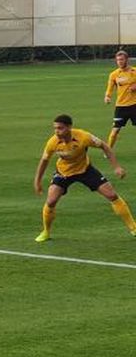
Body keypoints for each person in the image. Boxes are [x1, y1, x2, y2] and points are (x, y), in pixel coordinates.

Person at [33, 113, 135, 242]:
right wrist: (37, 181)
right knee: (51, 201)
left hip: (85, 170)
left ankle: (133, 228)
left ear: (69, 127)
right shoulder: (52, 142)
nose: (57, 131)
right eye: (55, 128)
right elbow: (44, 161)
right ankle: (46, 231)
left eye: (60, 128)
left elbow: (105, 146)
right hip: (63, 173)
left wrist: (116, 167)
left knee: (112, 195)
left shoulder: (83, 137)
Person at [104, 49, 136, 150]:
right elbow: (109, 88)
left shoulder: (134, 71)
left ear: (127, 59)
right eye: (118, 60)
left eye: (122, 59)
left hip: (134, 105)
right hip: (121, 107)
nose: (120, 62)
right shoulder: (114, 74)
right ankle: (108, 151)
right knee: (115, 131)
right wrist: (107, 96)